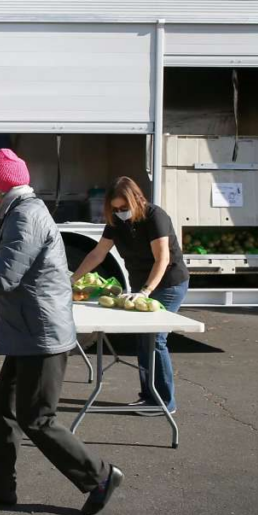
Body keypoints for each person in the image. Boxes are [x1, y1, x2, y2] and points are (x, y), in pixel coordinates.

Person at [0, 149, 122, 515]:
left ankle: (100, 476)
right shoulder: (17, 212)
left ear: (1, 185)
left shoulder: (26, 217)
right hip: (28, 332)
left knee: (38, 419)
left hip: (42, 334)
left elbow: (4, 277)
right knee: (4, 411)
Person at [71, 176, 189, 415]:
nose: (120, 212)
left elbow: (162, 259)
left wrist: (145, 292)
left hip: (167, 284)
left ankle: (165, 402)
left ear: (136, 200)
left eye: (124, 208)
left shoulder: (155, 216)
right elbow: (98, 253)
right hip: (140, 285)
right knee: (143, 341)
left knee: (155, 340)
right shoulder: (115, 221)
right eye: (114, 209)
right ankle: (148, 395)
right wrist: (72, 279)